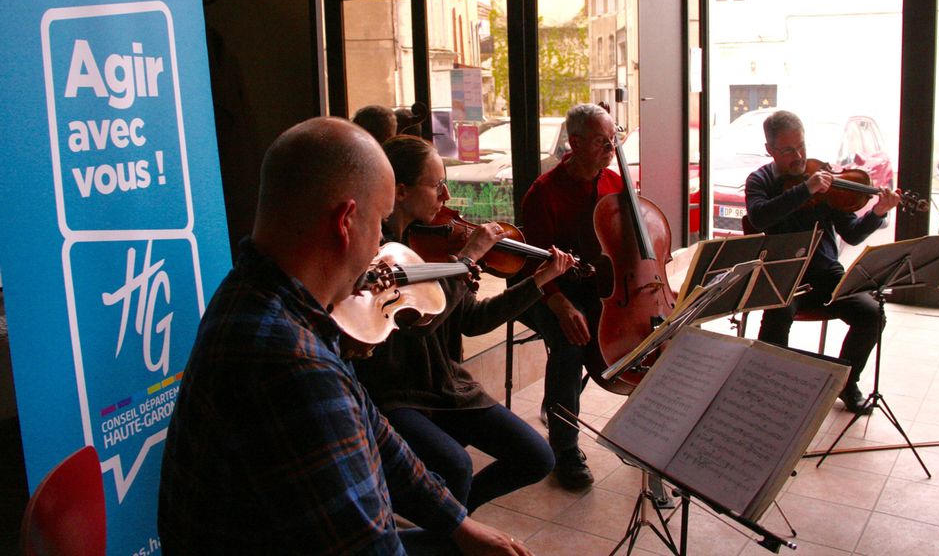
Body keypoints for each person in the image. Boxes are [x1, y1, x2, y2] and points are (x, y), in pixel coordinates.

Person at [158, 117, 533, 555]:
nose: (382, 251)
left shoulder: (256, 293)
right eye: (379, 223)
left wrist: (460, 526)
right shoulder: (292, 364)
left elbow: (375, 430)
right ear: (346, 222)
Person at [355, 134, 572, 513]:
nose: (446, 197)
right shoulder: (377, 254)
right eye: (437, 184)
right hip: (396, 393)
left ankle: (451, 521)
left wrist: (537, 282)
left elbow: (473, 320)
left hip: (446, 386)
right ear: (401, 192)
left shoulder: (438, 249)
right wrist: (467, 260)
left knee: (538, 457)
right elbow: (419, 323)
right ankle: (448, 527)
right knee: (455, 465)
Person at [744, 110, 901, 415]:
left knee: (871, 314)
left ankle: (847, 382)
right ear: (771, 151)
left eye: (801, 146)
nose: (799, 156)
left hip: (826, 274)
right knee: (777, 318)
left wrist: (878, 212)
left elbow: (853, 235)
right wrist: (806, 190)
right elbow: (759, 216)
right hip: (783, 276)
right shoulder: (760, 180)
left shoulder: (824, 178)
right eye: (788, 150)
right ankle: (767, 389)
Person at [517, 104, 623, 489]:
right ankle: (564, 449)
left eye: (613, 138)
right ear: (575, 143)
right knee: (570, 343)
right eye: (601, 141)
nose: (611, 147)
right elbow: (534, 268)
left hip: (599, 287)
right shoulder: (543, 193)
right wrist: (562, 306)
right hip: (549, 290)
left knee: (646, 332)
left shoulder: (615, 182)